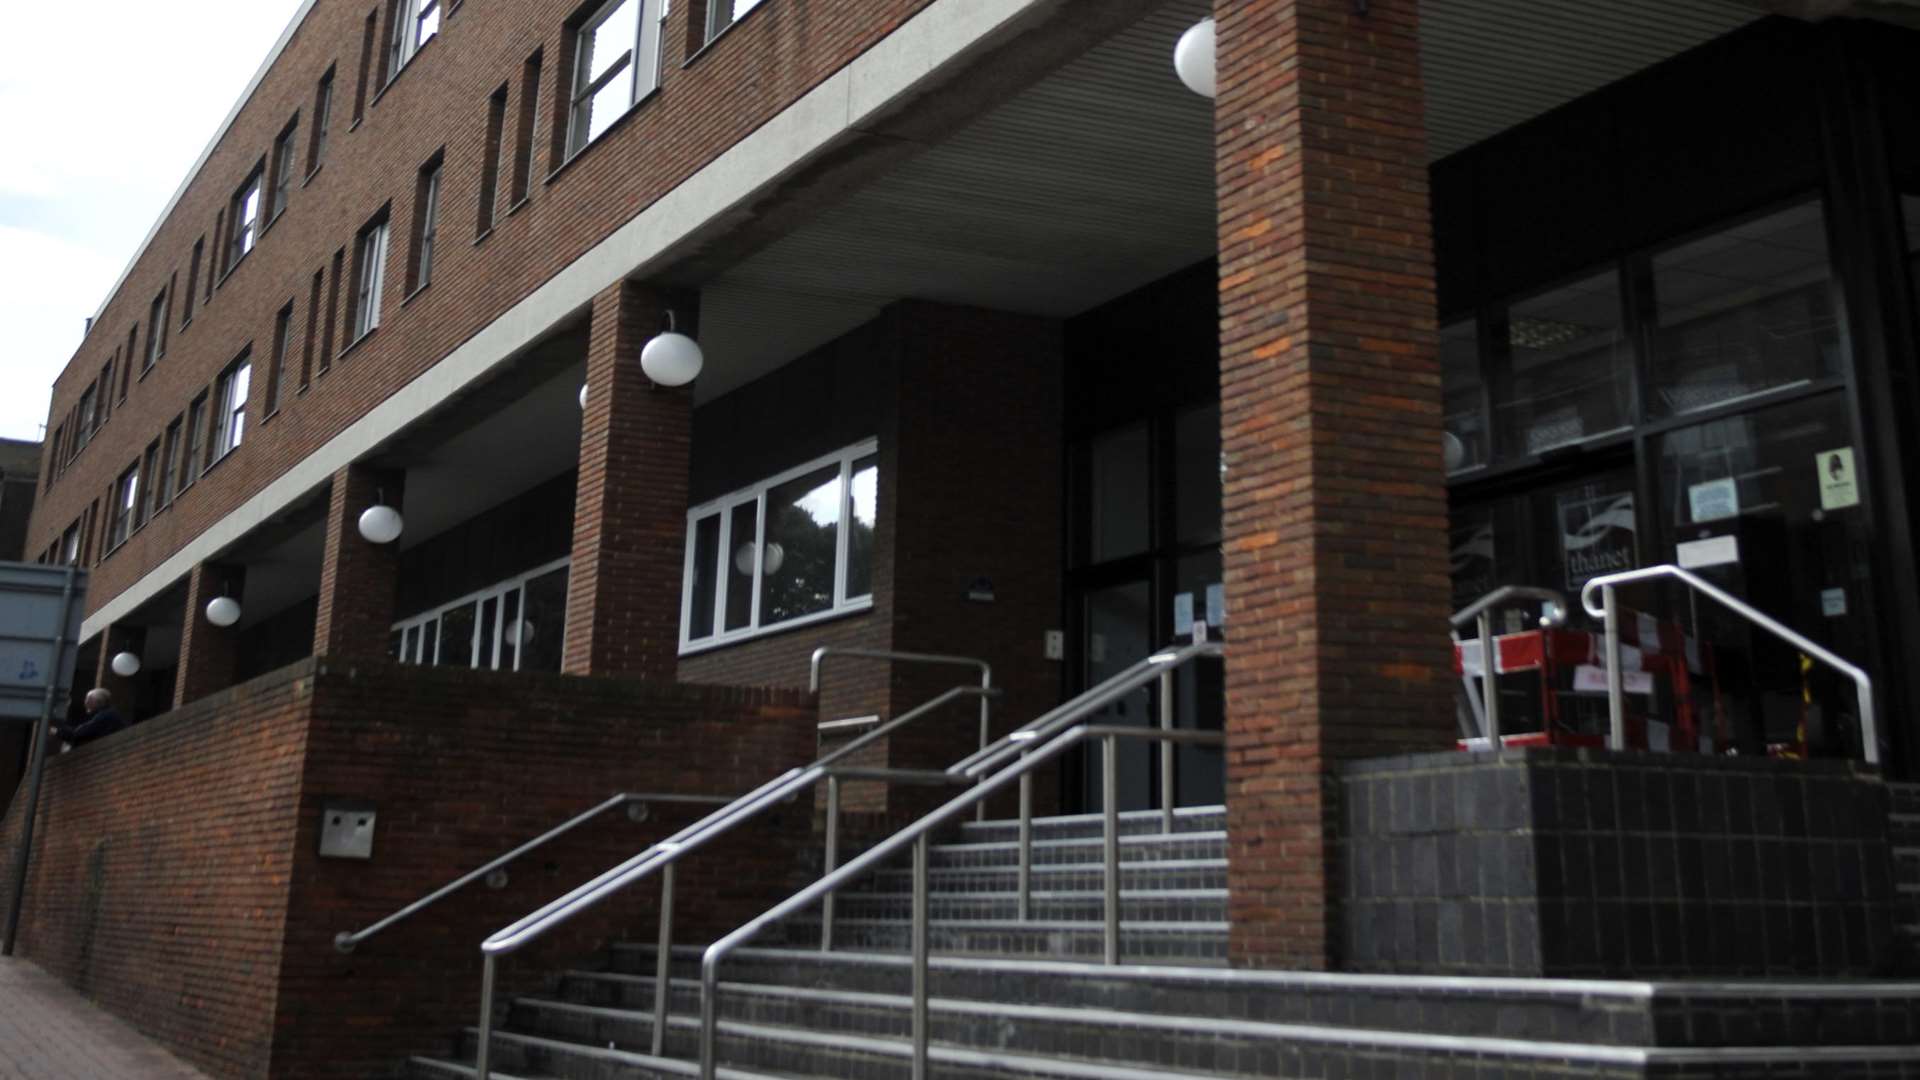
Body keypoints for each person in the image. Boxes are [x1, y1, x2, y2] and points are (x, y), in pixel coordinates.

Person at [54, 688, 129, 747]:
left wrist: (56, 730)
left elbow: (78, 734)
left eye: (89, 699)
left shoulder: (106, 715)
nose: (86, 703)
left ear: (98, 701)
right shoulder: (105, 714)